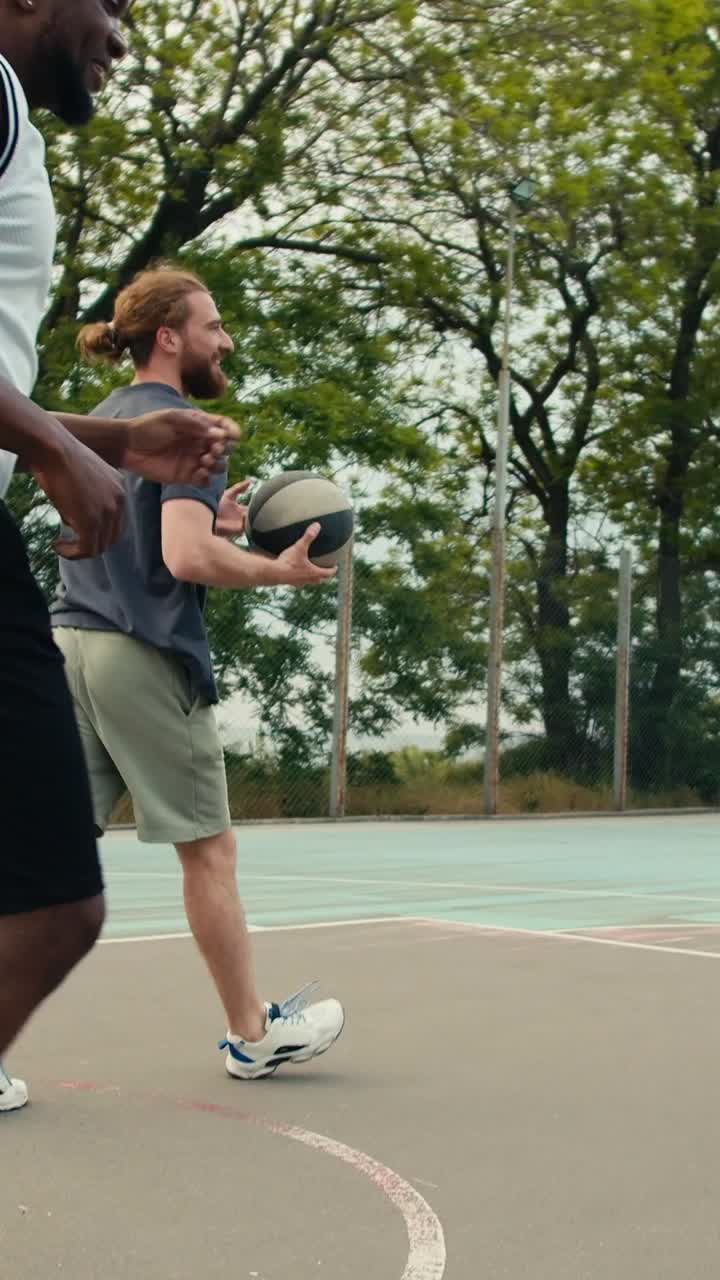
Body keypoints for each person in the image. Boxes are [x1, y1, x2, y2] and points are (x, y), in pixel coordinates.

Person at [0, 0, 240, 1111]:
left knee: (53, 898)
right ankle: (251, 1025)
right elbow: (188, 560)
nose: (125, 35)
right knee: (62, 899)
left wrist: (106, 441)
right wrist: (58, 444)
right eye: (113, 4)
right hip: (127, 647)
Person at [50, 265, 345, 1083]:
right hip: (141, 656)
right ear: (170, 337)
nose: (226, 340)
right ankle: (254, 1034)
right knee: (208, 854)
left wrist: (209, 518)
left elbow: (129, 538)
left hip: (70, 644)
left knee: (39, 857)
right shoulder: (189, 428)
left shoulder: (98, 421)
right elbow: (182, 558)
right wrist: (273, 569)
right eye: (213, 325)